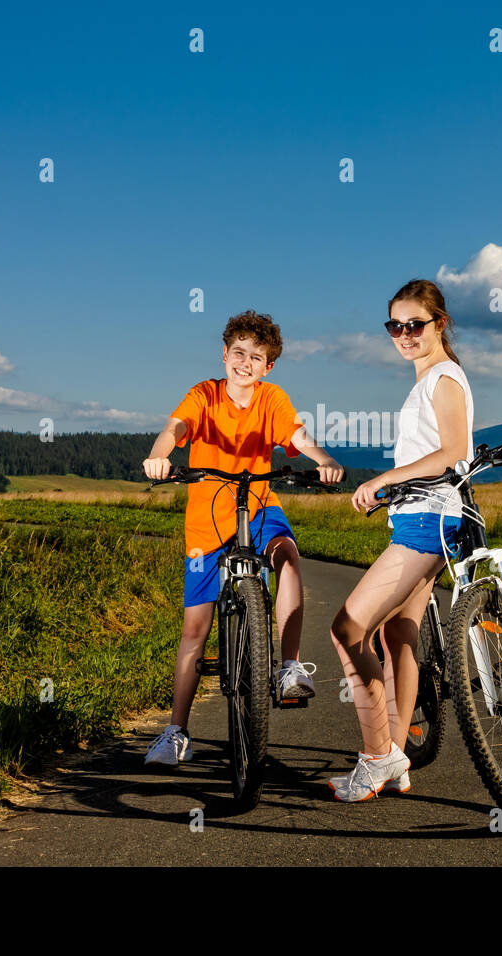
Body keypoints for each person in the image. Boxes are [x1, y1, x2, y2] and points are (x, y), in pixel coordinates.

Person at [141, 310, 343, 766]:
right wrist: (158, 455)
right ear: (225, 353)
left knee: (288, 556)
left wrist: (323, 458)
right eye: (239, 353)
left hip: (257, 504)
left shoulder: (272, 398)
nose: (245, 363)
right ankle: (176, 731)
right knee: (195, 629)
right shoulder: (204, 394)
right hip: (207, 519)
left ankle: (289, 666)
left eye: (257, 357)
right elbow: (175, 429)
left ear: (268, 366)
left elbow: (296, 434)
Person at [328, 279, 474, 801]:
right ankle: (397, 759)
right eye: (396, 326)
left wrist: (383, 480)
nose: (405, 334)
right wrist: (395, 491)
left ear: (440, 324)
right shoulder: (427, 380)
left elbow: (454, 451)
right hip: (421, 516)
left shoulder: (442, 377)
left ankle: (377, 756)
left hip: (427, 523)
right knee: (398, 638)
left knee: (347, 628)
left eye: (416, 324)